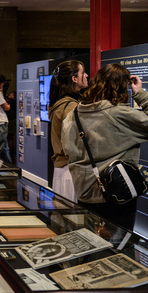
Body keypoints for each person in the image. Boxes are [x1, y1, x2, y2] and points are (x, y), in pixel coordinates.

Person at [62, 63, 148, 230]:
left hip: (83, 193)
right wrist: (141, 94)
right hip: (115, 194)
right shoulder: (118, 113)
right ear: (122, 87)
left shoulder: (73, 114)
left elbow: (68, 150)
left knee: (89, 245)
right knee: (118, 248)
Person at [48, 60, 88, 202]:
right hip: (70, 171)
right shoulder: (70, 107)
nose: (87, 75)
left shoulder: (61, 103)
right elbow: (75, 143)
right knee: (72, 221)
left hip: (63, 170)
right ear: (74, 79)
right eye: (83, 73)